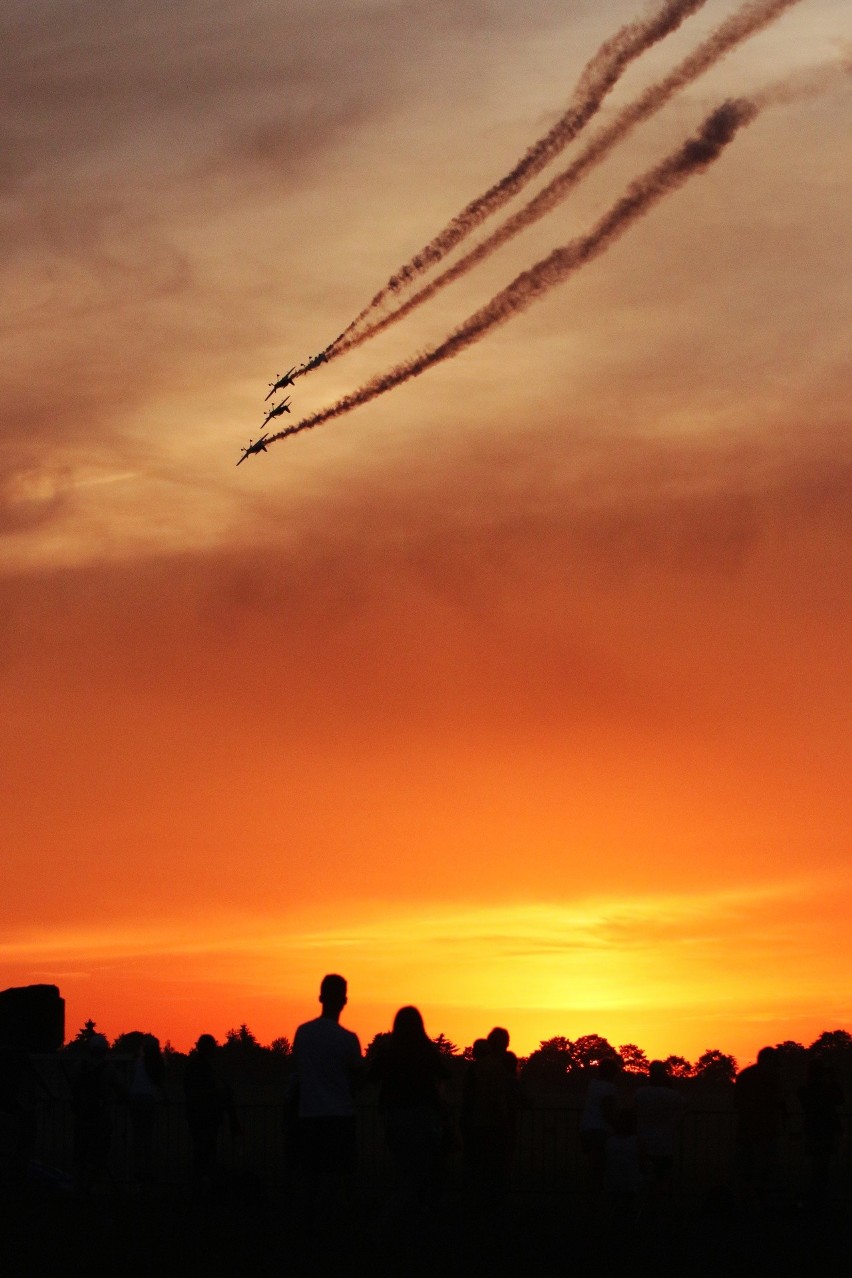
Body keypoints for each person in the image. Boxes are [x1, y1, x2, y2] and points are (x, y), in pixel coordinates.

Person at [370, 1006, 450, 1209]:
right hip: (422, 1117)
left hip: (394, 1117)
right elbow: (443, 1074)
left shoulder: (389, 1051)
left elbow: (371, 1076)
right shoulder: (426, 1051)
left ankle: (398, 1221)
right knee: (420, 1174)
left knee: (404, 1171)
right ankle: (397, 1221)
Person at [291, 974, 362, 1203]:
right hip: (340, 1116)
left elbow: (298, 1069)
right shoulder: (348, 1039)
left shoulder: (303, 1033)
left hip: (309, 1115)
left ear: (320, 997)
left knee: (310, 1176)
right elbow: (357, 1080)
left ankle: (310, 1226)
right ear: (344, 1001)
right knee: (338, 1178)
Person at [184, 1033, 238, 1190]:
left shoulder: (200, 1067)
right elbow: (193, 1093)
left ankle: (202, 1187)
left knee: (204, 1153)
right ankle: (201, 1187)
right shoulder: (200, 1068)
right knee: (204, 1154)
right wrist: (216, 1092)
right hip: (203, 1117)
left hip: (203, 1117)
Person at [634, 1059, 686, 1186]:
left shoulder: (640, 1093)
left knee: (645, 1180)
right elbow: (685, 1107)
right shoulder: (673, 1096)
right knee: (663, 1179)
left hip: (644, 1144)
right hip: (665, 1145)